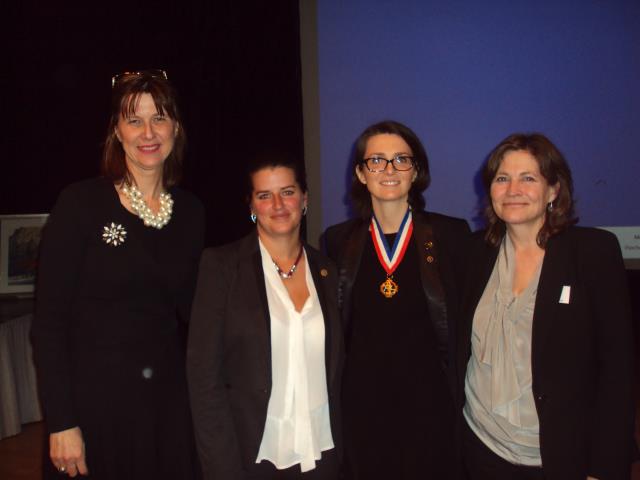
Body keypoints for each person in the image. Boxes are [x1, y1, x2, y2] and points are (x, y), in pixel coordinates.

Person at [31, 70, 204, 479]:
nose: (148, 132)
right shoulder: (79, 204)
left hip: (165, 404)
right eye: (134, 119)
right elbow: (49, 324)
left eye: (159, 118)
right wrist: (60, 421)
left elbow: (195, 313)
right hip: (94, 408)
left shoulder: (192, 211)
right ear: (117, 131)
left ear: (175, 129)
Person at [457, 133, 636, 479]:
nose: (513, 190)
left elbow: (617, 373)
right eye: (502, 178)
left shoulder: (593, 253)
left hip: (557, 456)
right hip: (481, 446)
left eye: (528, 178)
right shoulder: (474, 252)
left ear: (553, 190)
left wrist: (603, 467)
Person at [323, 120, 470, 479]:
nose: (389, 170)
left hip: (430, 408)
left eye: (401, 160)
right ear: (360, 173)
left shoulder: (451, 235)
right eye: (376, 161)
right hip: (363, 408)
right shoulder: (338, 241)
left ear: (416, 171)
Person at [187, 152, 344, 480]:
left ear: (304, 199)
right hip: (252, 456)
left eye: (287, 192)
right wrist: (222, 469)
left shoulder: (329, 271)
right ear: (251, 207)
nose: (278, 204)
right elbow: (204, 380)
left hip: (322, 452)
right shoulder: (221, 268)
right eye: (264, 195)